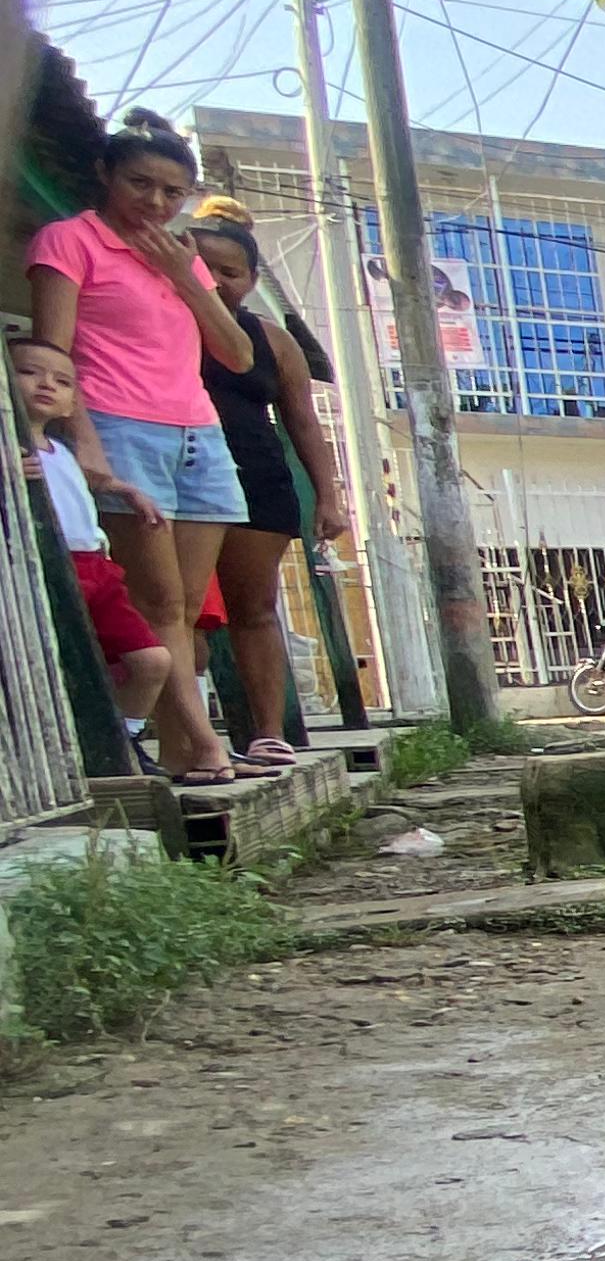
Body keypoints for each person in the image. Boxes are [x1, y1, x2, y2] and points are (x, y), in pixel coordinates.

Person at [22, 108, 265, 783]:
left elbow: (238, 355)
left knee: (187, 607)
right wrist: (86, 444)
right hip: (119, 426)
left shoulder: (183, 257)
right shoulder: (68, 241)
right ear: (106, 174)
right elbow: (54, 353)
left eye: (173, 191)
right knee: (155, 602)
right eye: (141, 184)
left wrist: (186, 276)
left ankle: (185, 749)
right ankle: (203, 745)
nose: (156, 202)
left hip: (199, 433)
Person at [185, 199, 355, 764]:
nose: (216, 281)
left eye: (230, 272)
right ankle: (190, 737)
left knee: (254, 607)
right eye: (203, 267)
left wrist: (328, 497)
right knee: (180, 609)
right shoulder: (162, 323)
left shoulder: (273, 340)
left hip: (257, 479)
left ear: (252, 280)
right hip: (178, 474)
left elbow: (303, 421)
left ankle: (267, 732)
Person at [12, 331, 217, 775]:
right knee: (54, 665)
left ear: (72, 403)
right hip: (45, 568)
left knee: (151, 660)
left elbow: (92, 484)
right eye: (28, 373)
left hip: (97, 568)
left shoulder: (63, 452)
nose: (46, 384)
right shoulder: (12, 452)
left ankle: (124, 740)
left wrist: (128, 491)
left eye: (63, 382)